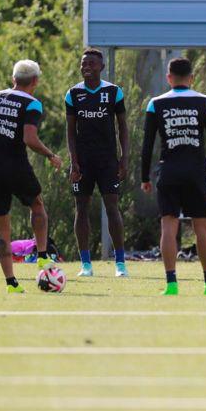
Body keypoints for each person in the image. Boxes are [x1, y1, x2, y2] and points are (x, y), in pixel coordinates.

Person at [141, 57, 206, 296]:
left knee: (168, 226)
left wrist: (144, 176)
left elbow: (147, 145)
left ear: (169, 78)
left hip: (169, 172)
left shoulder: (155, 104)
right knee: (202, 228)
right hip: (197, 173)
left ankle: (171, 284)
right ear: (192, 77)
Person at [0, 60, 63, 294]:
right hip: (15, 165)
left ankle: (11, 283)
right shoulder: (32, 104)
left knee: (1, 228)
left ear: (13, 77)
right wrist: (50, 155)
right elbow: (29, 138)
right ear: (35, 81)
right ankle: (42, 255)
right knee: (36, 204)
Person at [65, 48, 130, 278]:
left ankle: (120, 264)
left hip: (107, 161)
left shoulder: (114, 92)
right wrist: (73, 162)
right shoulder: (73, 94)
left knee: (112, 207)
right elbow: (70, 132)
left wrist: (124, 158)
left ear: (101, 67)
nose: (87, 67)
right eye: (84, 63)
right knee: (80, 209)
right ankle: (86, 264)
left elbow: (122, 127)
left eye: (92, 63)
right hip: (83, 163)